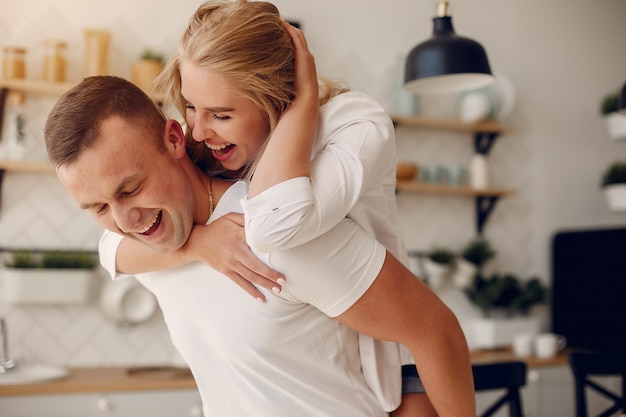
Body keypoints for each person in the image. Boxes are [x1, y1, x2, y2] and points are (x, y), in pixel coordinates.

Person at [45, 74, 474, 417]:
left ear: (174, 139)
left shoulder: (280, 232)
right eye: (98, 208)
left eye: (131, 188)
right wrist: (198, 245)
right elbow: (109, 251)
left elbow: (437, 332)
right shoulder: (157, 245)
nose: (124, 221)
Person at [97, 1, 448, 415]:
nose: (197, 129)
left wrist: (301, 105)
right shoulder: (224, 154)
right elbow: (110, 248)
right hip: (354, 347)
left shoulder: (352, 125)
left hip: (399, 357)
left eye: (221, 114)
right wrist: (200, 245)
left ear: (277, 98)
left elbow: (273, 226)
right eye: (190, 106)